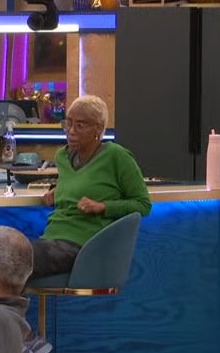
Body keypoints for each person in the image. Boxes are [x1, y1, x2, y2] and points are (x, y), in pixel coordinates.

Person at [33, 94, 152, 279]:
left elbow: (143, 204)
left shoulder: (116, 156)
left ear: (98, 129)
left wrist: (103, 207)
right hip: (50, 239)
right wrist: (58, 191)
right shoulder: (63, 157)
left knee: (13, 260)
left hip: (83, 246)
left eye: (80, 125)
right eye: (68, 123)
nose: (71, 131)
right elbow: (80, 182)